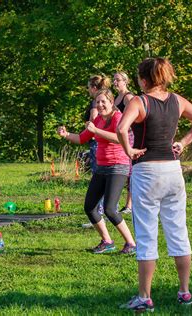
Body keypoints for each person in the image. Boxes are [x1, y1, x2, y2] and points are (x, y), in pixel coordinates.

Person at [117, 57, 192, 312]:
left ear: (144, 79)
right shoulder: (177, 101)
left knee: (147, 235)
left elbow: (122, 128)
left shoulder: (139, 101)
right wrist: (184, 142)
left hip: (146, 171)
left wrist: (130, 151)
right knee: (178, 232)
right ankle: (184, 292)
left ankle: (145, 297)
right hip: (173, 170)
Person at [57, 89, 136, 254]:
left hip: (118, 166)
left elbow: (118, 137)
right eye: (97, 102)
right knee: (90, 207)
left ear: (111, 102)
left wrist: (96, 131)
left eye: (103, 102)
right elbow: (81, 138)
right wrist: (65, 135)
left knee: (110, 209)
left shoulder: (118, 117)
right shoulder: (98, 119)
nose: (99, 105)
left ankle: (131, 244)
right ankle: (107, 241)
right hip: (101, 167)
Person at [81, 75, 112, 228]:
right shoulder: (104, 98)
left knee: (100, 179)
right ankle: (104, 212)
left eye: (88, 87)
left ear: (93, 87)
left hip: (97, 143)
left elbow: (94, 119)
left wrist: (91, 127)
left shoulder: (96, 101)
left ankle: (99, 213)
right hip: (99, 142)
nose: (88, 90)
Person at [113, 71, 135, 214]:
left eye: (118, 80)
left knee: (129, 170)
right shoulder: (116, 98)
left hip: (129, 136)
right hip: (118, 136)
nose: (115, 82)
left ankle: (129, 205)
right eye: (114, 80)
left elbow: (132, 118)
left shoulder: (129, 97)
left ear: (125, 81)